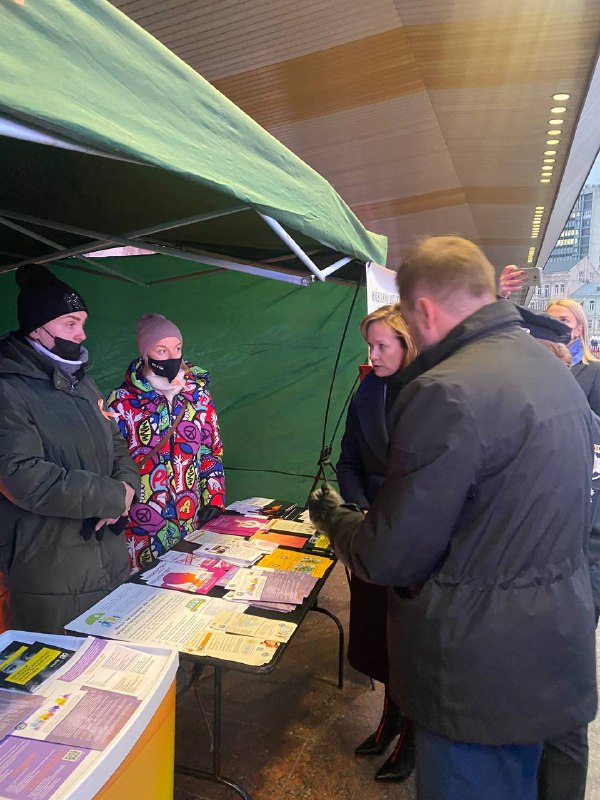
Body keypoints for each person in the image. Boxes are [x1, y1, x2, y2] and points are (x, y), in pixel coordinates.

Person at [309, 236, 597, 800]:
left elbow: (392, 553)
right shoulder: (552, 370)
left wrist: (336, 520)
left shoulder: (445, 391)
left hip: (474, 670)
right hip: (552, 648)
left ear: (424, 311)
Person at [0, 266, 140, 634]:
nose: (81, 333)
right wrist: (112, 497)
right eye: (70, 323)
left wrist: (127, 490)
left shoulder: (82, 381)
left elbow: (116, 443)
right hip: (48, 571)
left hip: (107, 558)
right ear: (37, 326)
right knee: (55, 679)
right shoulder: (7, 388)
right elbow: (23, 477)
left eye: (82, 322)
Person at [336, 304, 417, 782]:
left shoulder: (431, 392)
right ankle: (389, 719)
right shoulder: (368, 388)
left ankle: (412, 732)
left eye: (382, 344)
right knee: (377, 636)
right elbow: (348, 460)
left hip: (416, 538)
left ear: (407, 342)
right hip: (373, 532)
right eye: (370, 344)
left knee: (410, 641)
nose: (373, 353)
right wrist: (361, 504)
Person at [107, 314, 225, 573]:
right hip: (141, 528)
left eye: (177, 348)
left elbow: (210, 452)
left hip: (189, 520)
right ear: (145, 353)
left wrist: (214, 499)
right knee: (142, 597)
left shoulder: (198, 397)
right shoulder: (122, 403)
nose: (172, 356)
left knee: (188, 584)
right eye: (162, 350)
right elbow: (110, 462)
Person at [546, 298, 600, 413]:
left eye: (564, 320)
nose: (555, 325)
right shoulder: (535, 363)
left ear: (578, 330)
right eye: (549, 319)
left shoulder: (595, 370)